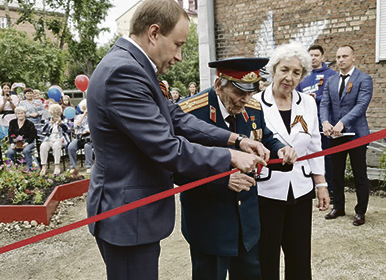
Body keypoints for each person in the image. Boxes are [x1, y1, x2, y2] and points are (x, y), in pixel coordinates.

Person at [86, 0, 268, 278]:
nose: (180, 56)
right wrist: (231, 157)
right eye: (178, 44)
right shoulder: (125, 73)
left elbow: (177, 118)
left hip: (133, 216)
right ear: (154, 33)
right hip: (126, 218)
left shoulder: (134, 67)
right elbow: (167, 148)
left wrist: (235, 139)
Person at [176, 57, 297, 280]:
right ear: (218, 85)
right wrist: (222, 181)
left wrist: (281, 150)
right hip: (209, 223)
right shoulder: (190, 112)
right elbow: (178, 167)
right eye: (239, 93)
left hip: (247, 223)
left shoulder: (252, 107)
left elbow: (265, 137)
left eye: (251, 93)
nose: (246, 100)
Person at [253, 42, 330, 279]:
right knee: (266, 256)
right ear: (274, 69)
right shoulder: (254, 102)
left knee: (299, 256)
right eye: (284, 70)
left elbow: (315, 145)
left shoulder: (307, 103)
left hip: (300, 188)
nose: (289, 77)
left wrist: (321, 184)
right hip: (266, 190)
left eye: (297, 73)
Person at [320, 44, 373, 226]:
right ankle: (338, 206)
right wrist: (325, 122)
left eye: (344, 56)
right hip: (335, 135)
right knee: (336, 173)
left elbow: (361, 105)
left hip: (356, 133)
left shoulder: (364, 79)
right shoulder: (331, 81)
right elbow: (324, 104)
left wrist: (343, 122)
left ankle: (360, 212)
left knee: (359, 174)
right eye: (338, 57)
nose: (340, 60)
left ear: (353, 58)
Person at [296, 44, 338, 195]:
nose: (313, 58)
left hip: (325, 123)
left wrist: (317, 98)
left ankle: (330, 190)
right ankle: (310, 188)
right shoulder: (302, 76)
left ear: (322, 57)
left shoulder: (331, 75)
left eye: (316, 55)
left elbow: (335, 97)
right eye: (310, 55)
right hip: (305, 124)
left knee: (327, 158)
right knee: (307, 156)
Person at [39, 104, 70, 176]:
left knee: (56, 146)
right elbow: (42, 131)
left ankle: (57, 166)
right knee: (43, 146)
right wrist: (50, 124)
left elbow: (68, 131)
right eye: (53, 110)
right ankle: (44, 166)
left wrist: (61, 124)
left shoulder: (64, 119)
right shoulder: (48, 120)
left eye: (57, 110)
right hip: (49, 139)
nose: (55, 112)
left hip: (60, 138)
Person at [67, 100, 93, 175]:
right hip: (80, 137)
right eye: (84, 108)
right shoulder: (78, 117)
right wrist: (84, 115)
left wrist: (89, 131)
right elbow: (76, 126)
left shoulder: (94, 116)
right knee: (71, 147)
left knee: (87, 146)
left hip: (90, 137)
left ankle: (88, 166)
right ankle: (73, 167)